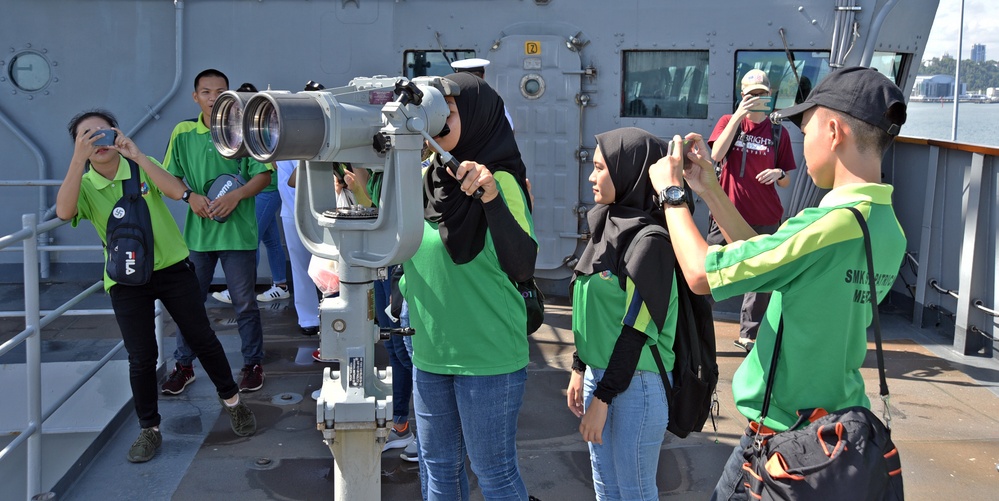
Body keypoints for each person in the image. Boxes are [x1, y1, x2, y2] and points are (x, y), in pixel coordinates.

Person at [647, 66, 908, 500]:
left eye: (806, 131)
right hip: (838, 430)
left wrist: (672, 194)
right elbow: (771, 263)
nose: (803, 146)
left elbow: (699, 274)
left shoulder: (829, 223)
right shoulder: (886, 227)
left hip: (784, 438)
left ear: (834, 130)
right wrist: (711, 188)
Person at [56, 110, 256, 463]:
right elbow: (63, 211)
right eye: (86, 136)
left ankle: (233, 402)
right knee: (142, 357)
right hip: (125, 279)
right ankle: (149, 428)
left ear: (116, 134)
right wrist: (77, 160)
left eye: (103, 132)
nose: (97, 140)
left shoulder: (139, 166)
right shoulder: (85, 184)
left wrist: (137, 156)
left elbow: (176, 190)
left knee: (202, 338)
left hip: (173, 269)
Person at [400, 72, 537, 500]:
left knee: (493, 472)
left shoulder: (503, 182)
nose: (436, 119)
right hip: (430, 353)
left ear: (477, 117)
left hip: (487, 358)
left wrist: (492, 198)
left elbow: (522, 263)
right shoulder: (424, 178)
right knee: (438, 471)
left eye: (449, 111)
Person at [566, 127, 678, 500]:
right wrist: (580, 368)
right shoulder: (605, 224)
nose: (591, 176)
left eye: (600, 168)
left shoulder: (650, 242)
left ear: (628, 171)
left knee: (634, 493)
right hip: (605, 377)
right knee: (607, 490)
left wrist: (602, 399)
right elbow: (590, 307)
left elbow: (636, 330)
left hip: (637, 385)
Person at [161, 69, 273, 394]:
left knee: (245, 304)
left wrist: (236, 195)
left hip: (238, 236)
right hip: (198, 237)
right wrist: (189, 196)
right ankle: (184, 366)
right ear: (195, 97)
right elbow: (171, 178)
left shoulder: (244, 129)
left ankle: (253, 364)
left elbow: (263, 175)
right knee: (189, 305)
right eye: (206, 92)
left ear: (229, 95)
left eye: (219, 91)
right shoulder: (182, 132)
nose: (212, 97)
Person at [707, 68, 797, 352]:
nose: (756, 100)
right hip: (727, 213)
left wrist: (777, 172)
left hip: (765, 214)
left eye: (761, 94)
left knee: (761, 277)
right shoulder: (728, 122)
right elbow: (716, 155)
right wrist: (737, 116)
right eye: (750, 95)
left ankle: (750, 334)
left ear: (769, 96)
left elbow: (786, 180)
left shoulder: (777, 130)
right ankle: (693, 322)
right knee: (710, 270)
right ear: (742, 96)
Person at [341, 165, 415, 453]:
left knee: (409, 351)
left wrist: (358, 178)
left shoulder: (405, 163)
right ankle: (401, 424)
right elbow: (371, 206)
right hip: (385, 263)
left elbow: (386, 212)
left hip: (402, 262)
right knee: (396, 348)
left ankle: (430, 433)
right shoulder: (377, 170)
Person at [213, 83, 290, 304]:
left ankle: (240, 288)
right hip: (259, 187)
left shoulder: (261, 124)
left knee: (251, 238)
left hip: (268, 186)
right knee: (270, 238)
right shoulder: (243, 124)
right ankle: (281, 284)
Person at [275, 160, 319, 336]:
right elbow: (285, 179)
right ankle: (308, 317)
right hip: (292, 209)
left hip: (327, 204)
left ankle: (338, 314)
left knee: (335, 265)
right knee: (301, 264)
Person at [450, 57, 515, 131]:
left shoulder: (448, 98)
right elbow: (510, 128)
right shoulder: (493, 99)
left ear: (457, 75)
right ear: (483, 75)